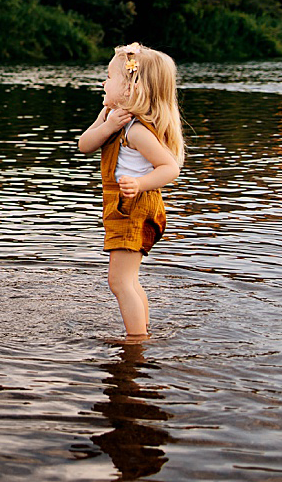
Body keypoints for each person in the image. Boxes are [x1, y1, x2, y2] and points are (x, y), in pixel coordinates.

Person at [77, 42, 184, 339]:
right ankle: (142, 331)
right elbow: (84, 144)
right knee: (127, 281)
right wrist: (107, 124)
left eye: (109, 77)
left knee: (120, 282)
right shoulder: (112, 117)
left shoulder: (136, 130)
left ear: (129, 88)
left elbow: (170, 168)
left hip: (134, 207)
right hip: (122, 209)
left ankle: (135, 342)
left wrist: (140, 183)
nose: (104, 82)